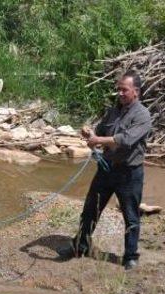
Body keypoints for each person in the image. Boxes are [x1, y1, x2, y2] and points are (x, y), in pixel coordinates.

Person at [65, 70, 152, 270]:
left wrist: (98, 140)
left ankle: (130, 256)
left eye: (124, 90)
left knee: (130, 216)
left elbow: (126, 140)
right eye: (118, 90)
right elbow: (101, 131)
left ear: (136, 91)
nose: (120, 94)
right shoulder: (113, 111)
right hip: (106, 169)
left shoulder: (143, 115)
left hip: (129, 173)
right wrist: (90, 133)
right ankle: (80, 246)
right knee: (90, 210)